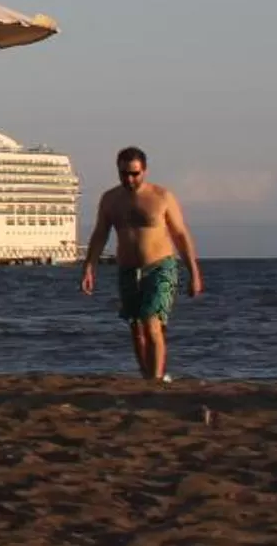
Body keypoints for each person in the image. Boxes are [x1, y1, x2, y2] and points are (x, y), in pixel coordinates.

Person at [81, 145, 205, 382]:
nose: (129, 179)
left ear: (145, 171)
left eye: (134, 174)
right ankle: (147, 376)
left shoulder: (162, 197)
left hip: (160, 266)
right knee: (136, 328)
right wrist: (89, 268)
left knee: (152, 323)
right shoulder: (110, 200)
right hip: (128, 269)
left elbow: (180, 235)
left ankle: (157, 380)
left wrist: (194, 273)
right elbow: (100, 234)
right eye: (124, 174)